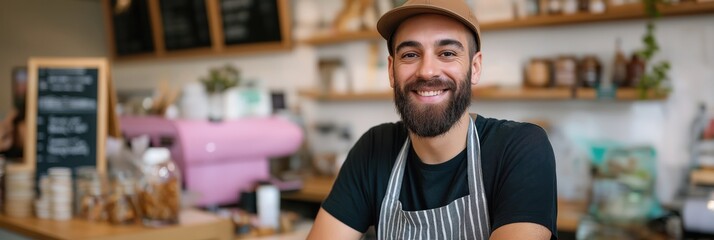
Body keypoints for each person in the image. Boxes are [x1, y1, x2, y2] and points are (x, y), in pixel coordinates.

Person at [307, 0, 557, 239]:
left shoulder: (520, 149)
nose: (427, 70)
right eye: (410, 55)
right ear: (391, 71)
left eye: (447, 53)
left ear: (475, 67)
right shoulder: (373, 149)